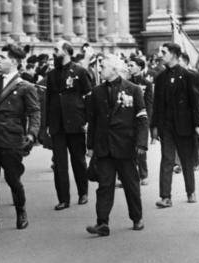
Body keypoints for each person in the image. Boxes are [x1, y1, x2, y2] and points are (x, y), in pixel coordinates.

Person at [0, 44, 40, 237]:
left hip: (11, 138)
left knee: (13, 178)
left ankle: (21, 211)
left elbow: (34, 112)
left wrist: (31, 134)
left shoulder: (25, 87)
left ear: (13, 61)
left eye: (1, 59)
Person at [85, 55, 148, 237]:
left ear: (113, 69)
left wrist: (142, 143)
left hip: (125, 146)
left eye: (103, 66)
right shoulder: (97, 92)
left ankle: (137, 217)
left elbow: (142, 119)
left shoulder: (133, 89)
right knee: (104, 185)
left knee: (131, 184)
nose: (99, 70)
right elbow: (93, 120)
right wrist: (90, 146)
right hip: (104, 147)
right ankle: (102, 223)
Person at [150, 42, 199, 208]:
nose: (160, 54)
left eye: (164, 52)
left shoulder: (189, 76)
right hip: (166, 126)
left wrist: (197, 125)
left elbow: (195, 104)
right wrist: (155, 127)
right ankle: (165, 196)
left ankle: (190, 191)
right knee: (167, 160)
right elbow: (156, 105)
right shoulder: (160, 78)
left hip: (184, 125)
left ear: (174, 54)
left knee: (186, 159)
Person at [44, 40, 92, 210]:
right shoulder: (51, 74)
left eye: (56, 50)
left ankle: (83, 192)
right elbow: (48, 100)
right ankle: (63, 198)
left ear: (66, 51)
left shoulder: (80, 71)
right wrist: (48, 124)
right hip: (57, 125)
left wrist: (87, 121)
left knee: (78, 160)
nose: (54, 53)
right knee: (59, 163)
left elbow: (88, 97)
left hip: (76, 122)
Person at [127, 56, 154, 185]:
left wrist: (146, 121)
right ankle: (126, 176)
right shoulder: (125, 82)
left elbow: (149, 104)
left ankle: (143, 175)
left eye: (131, 65)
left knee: (141, 147)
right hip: (127, 119)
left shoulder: (146, 84)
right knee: (127, 148)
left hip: (141, 119)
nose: (129, 67)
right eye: (128, 65)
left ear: (140, 67)